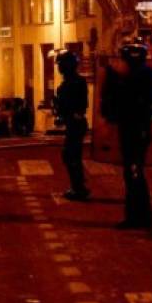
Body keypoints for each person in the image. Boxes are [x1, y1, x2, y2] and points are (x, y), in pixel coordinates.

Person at [101, 39, 152, 229]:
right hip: (141, 129)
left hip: (133, 130)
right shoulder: (149, 76)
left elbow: (113, 101)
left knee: (133, 173)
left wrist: (111, 73)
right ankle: (141, 215)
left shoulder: (128, 79)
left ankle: (139, 217)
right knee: (134, 173)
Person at [53, 50, 90, 201]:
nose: (59, 68)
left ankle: (79, 188)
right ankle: (78, 186)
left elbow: (67, 108)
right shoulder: (80, 82)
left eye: (60, 64)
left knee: (70, 156)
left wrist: (59, 105)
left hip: (75, 124)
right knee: (73, 155)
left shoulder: (67, 86)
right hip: (78, 123)